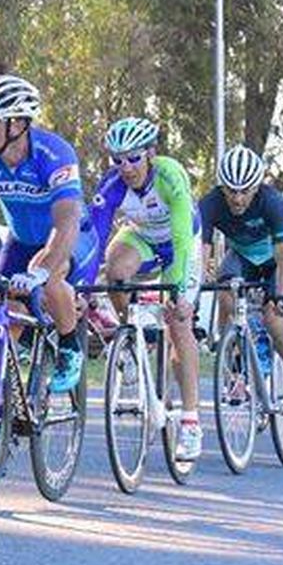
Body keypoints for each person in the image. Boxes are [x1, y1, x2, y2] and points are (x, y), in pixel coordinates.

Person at [0, 74, 99, 395]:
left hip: (72, 236)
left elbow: (66, 221)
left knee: (50, 275)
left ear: (16, 124)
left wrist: (42, 270)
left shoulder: (54, 154)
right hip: (21, 241)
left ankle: (69, 348)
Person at [89, 116, 204, 460]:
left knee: (179, 322)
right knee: (115, 267)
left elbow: (183, 238)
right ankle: (131, 336)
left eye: (134, 158)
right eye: (118, 159)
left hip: (179, 243)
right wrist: (81, 288)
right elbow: (94, 238)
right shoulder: (111, 185)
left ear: (151, 153)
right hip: (141, 237)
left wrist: (182, 293)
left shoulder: (170, 176)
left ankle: (190, 422)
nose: (126, 167)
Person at [198, 144, 283, 423]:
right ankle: (235, 367)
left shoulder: (272, 201)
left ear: (257, 187)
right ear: (221, 188)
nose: (237, 199)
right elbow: (200, 253)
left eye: (244, 191)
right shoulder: (210, 203)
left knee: (274, 318)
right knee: (225, 292)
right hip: (242, 256)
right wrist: (197, 292)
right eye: (230, 191)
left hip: (274, 259)